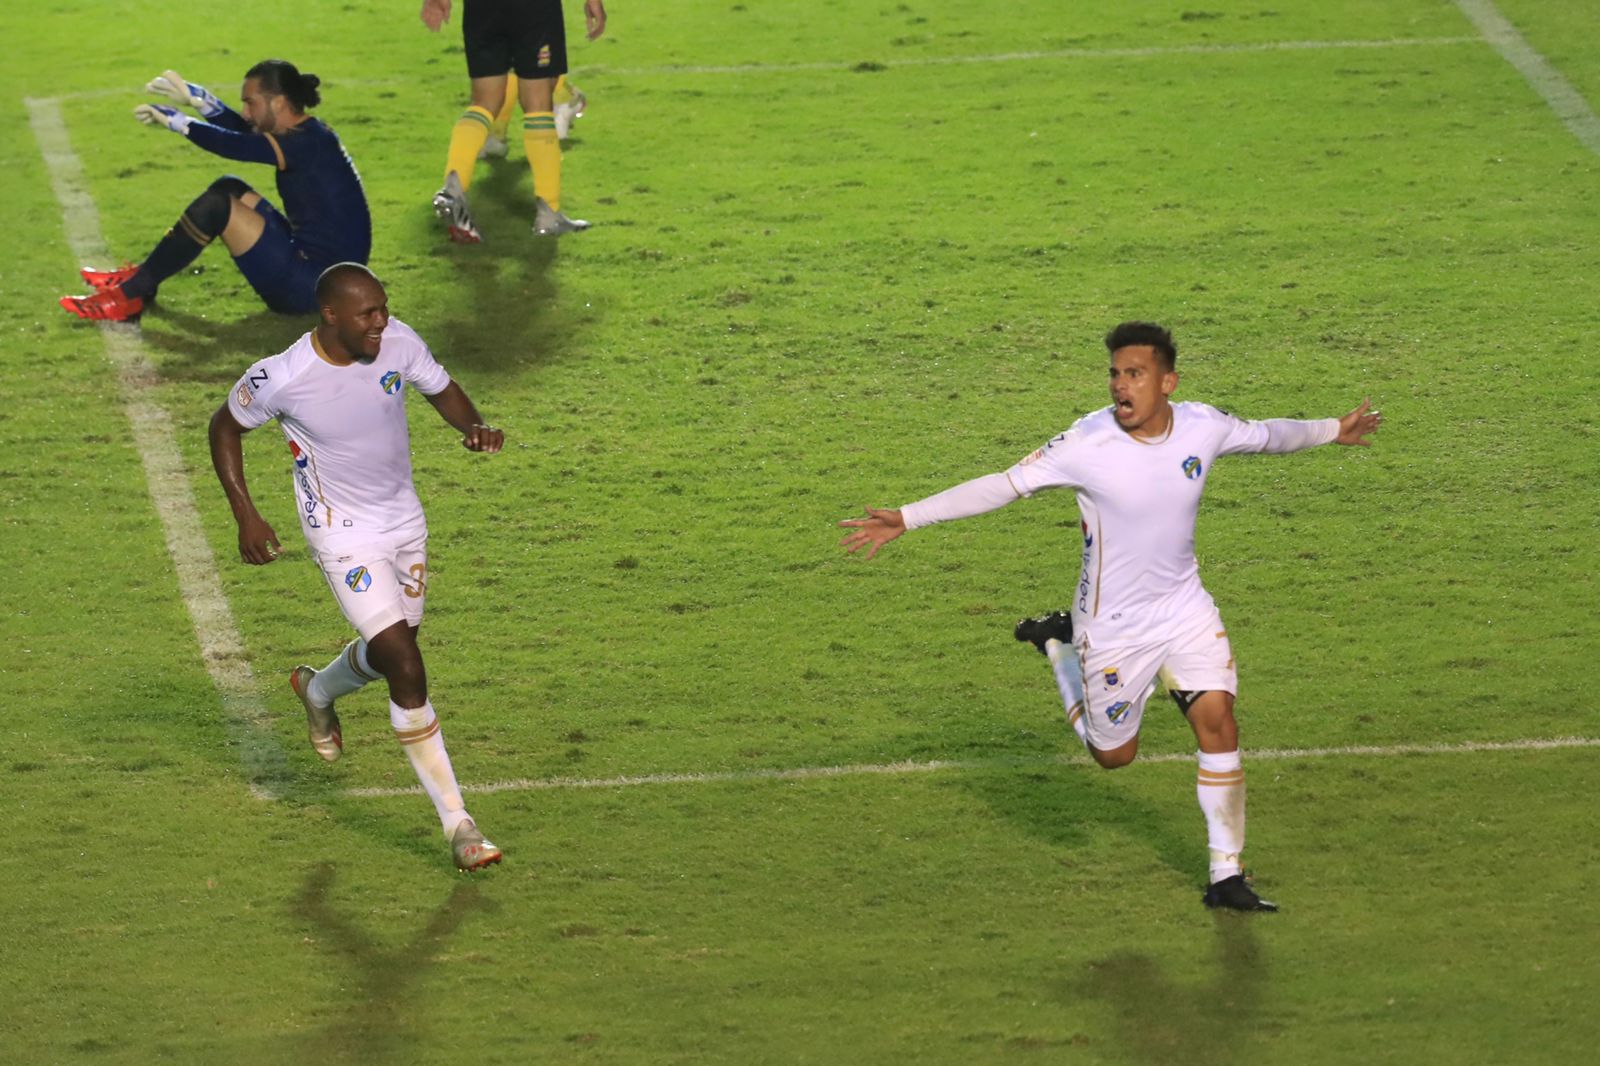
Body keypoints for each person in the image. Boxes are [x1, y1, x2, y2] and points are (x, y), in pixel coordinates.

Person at [838, 322, 1383, 912]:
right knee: (1112, 756)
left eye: (1135, 374)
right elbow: (1004, 485)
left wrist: (1334, 430)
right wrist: (908, 517)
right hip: (1113, 624)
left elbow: (1270, 434)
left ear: (1168, 382)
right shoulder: (1086, 443)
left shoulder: (1204, 424)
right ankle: (1058, 647)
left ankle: (1227, 876)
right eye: (1115, 374)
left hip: (1183, 607)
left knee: (1219, 721)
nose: (1120, 386)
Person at [208, 263, 505, 872]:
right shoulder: (282, 377)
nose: (381, 321)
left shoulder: (398, 341)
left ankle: (317, 690)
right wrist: (247, 514)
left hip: (404, 522)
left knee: (396, 648)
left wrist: (472, 425)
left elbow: (440, 388)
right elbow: (224, 428)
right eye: (368, 314)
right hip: (342, 533)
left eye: (383, 309)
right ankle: (460, 824)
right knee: (405, 663)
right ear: (331, 316)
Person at [62, 60, 370, 323]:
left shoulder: (301, 143)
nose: (246, 111)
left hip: (312, 289)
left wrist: (181, 123)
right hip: (323, 276)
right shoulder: (307, 134)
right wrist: (204, 103)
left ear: (277, 102)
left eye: (251, 103)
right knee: (229, 187)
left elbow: (233, 144)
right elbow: (244, 132)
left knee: (218, 206)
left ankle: (130, 294)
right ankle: (143, 278)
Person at [420, 0, 607, 241]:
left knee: (484, 101)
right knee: (538, 103)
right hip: (533, 9)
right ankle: (549, 213)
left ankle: (454, 189)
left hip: (482, 8)